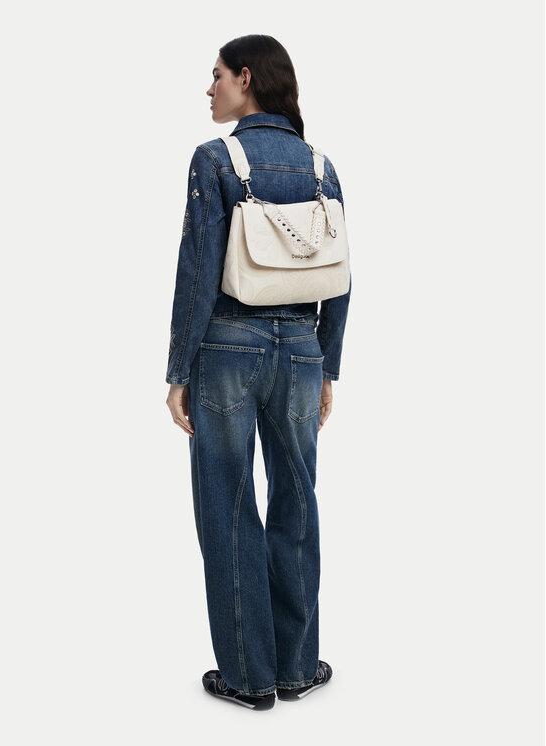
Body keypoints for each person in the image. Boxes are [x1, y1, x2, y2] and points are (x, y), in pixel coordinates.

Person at [165, 34, 351, 710]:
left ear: (246, 78)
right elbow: (342, 276)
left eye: (216, 75)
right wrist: (327, 363)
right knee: (297, 500)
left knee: (228, 503)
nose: (209, 88)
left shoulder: (215, 159)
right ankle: (297, 667)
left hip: (227, 348)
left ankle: (248, 677)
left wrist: (178, 370)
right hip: (302, 349)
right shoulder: (323, 167)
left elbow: (197, 272)